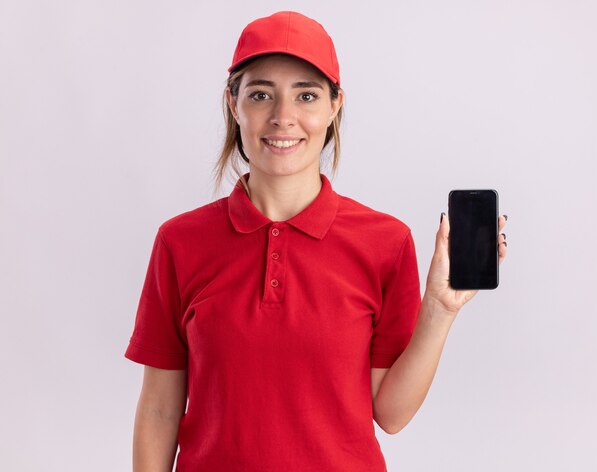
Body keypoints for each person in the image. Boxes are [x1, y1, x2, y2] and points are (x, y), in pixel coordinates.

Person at [124, 10, 508, 472]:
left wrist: (440, 310)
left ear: (334, 105)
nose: (283, 118)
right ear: (233, 103)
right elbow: (160, 409)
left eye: (306, 95)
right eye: (261, 94)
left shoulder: (385, 242)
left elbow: (390, 414)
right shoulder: (179, 242)